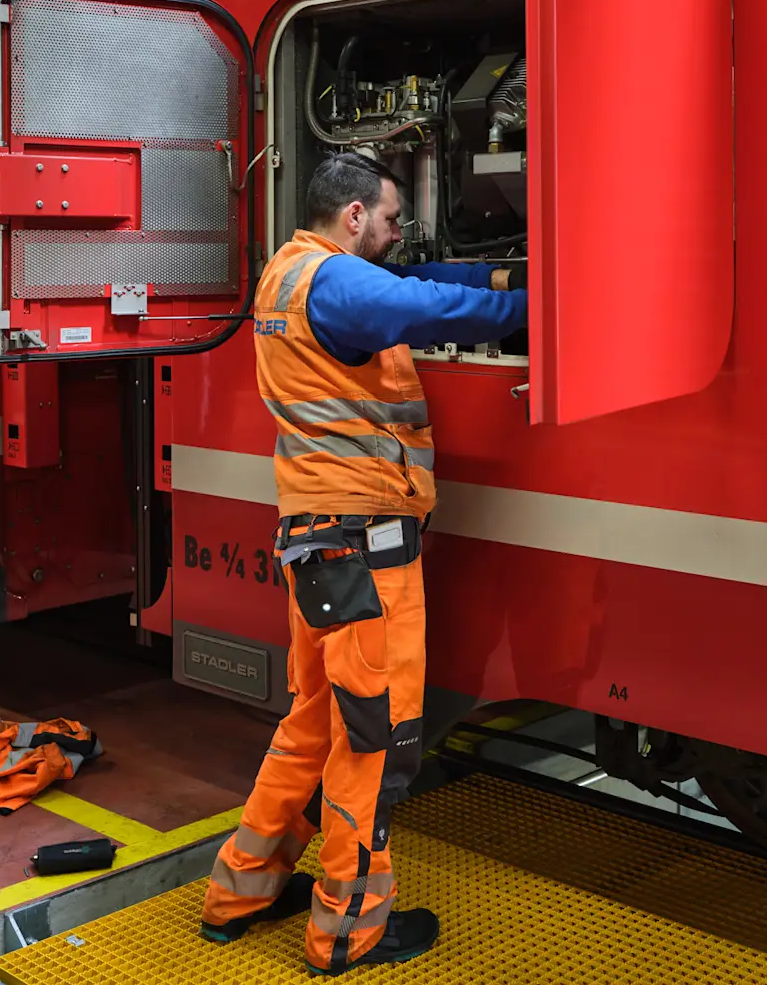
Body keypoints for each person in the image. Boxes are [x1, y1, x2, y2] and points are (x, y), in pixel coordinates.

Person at [199, 150, 526, 975]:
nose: (393, 235)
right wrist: (532, 304)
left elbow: (421, 276)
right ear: (352, 218)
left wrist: (493, 272)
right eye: (386, 221)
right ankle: (347, 933)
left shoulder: (287, 273)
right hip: (366, 549)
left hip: (318, 546)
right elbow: (423, 302)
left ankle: (242, 889)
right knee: (375, 740)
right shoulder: (341, 285)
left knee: (313, 721)